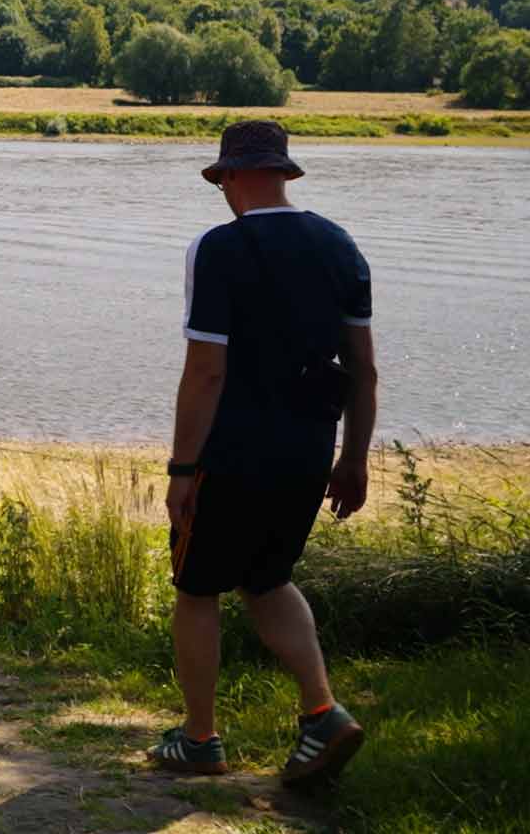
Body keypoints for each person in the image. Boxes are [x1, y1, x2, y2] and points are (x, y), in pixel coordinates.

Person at [149, 120, 377, 788]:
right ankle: (322, 713)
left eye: (221, 181)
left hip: (233, 453)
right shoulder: (341, 246)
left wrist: (183, 469)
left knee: (197, 590)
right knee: (268, 580)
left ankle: (199, 738)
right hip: (310, 450)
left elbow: (206, 374)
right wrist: (354, 458)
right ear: (283, 173)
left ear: (230, 178)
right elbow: (362, 371)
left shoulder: (219, 248)